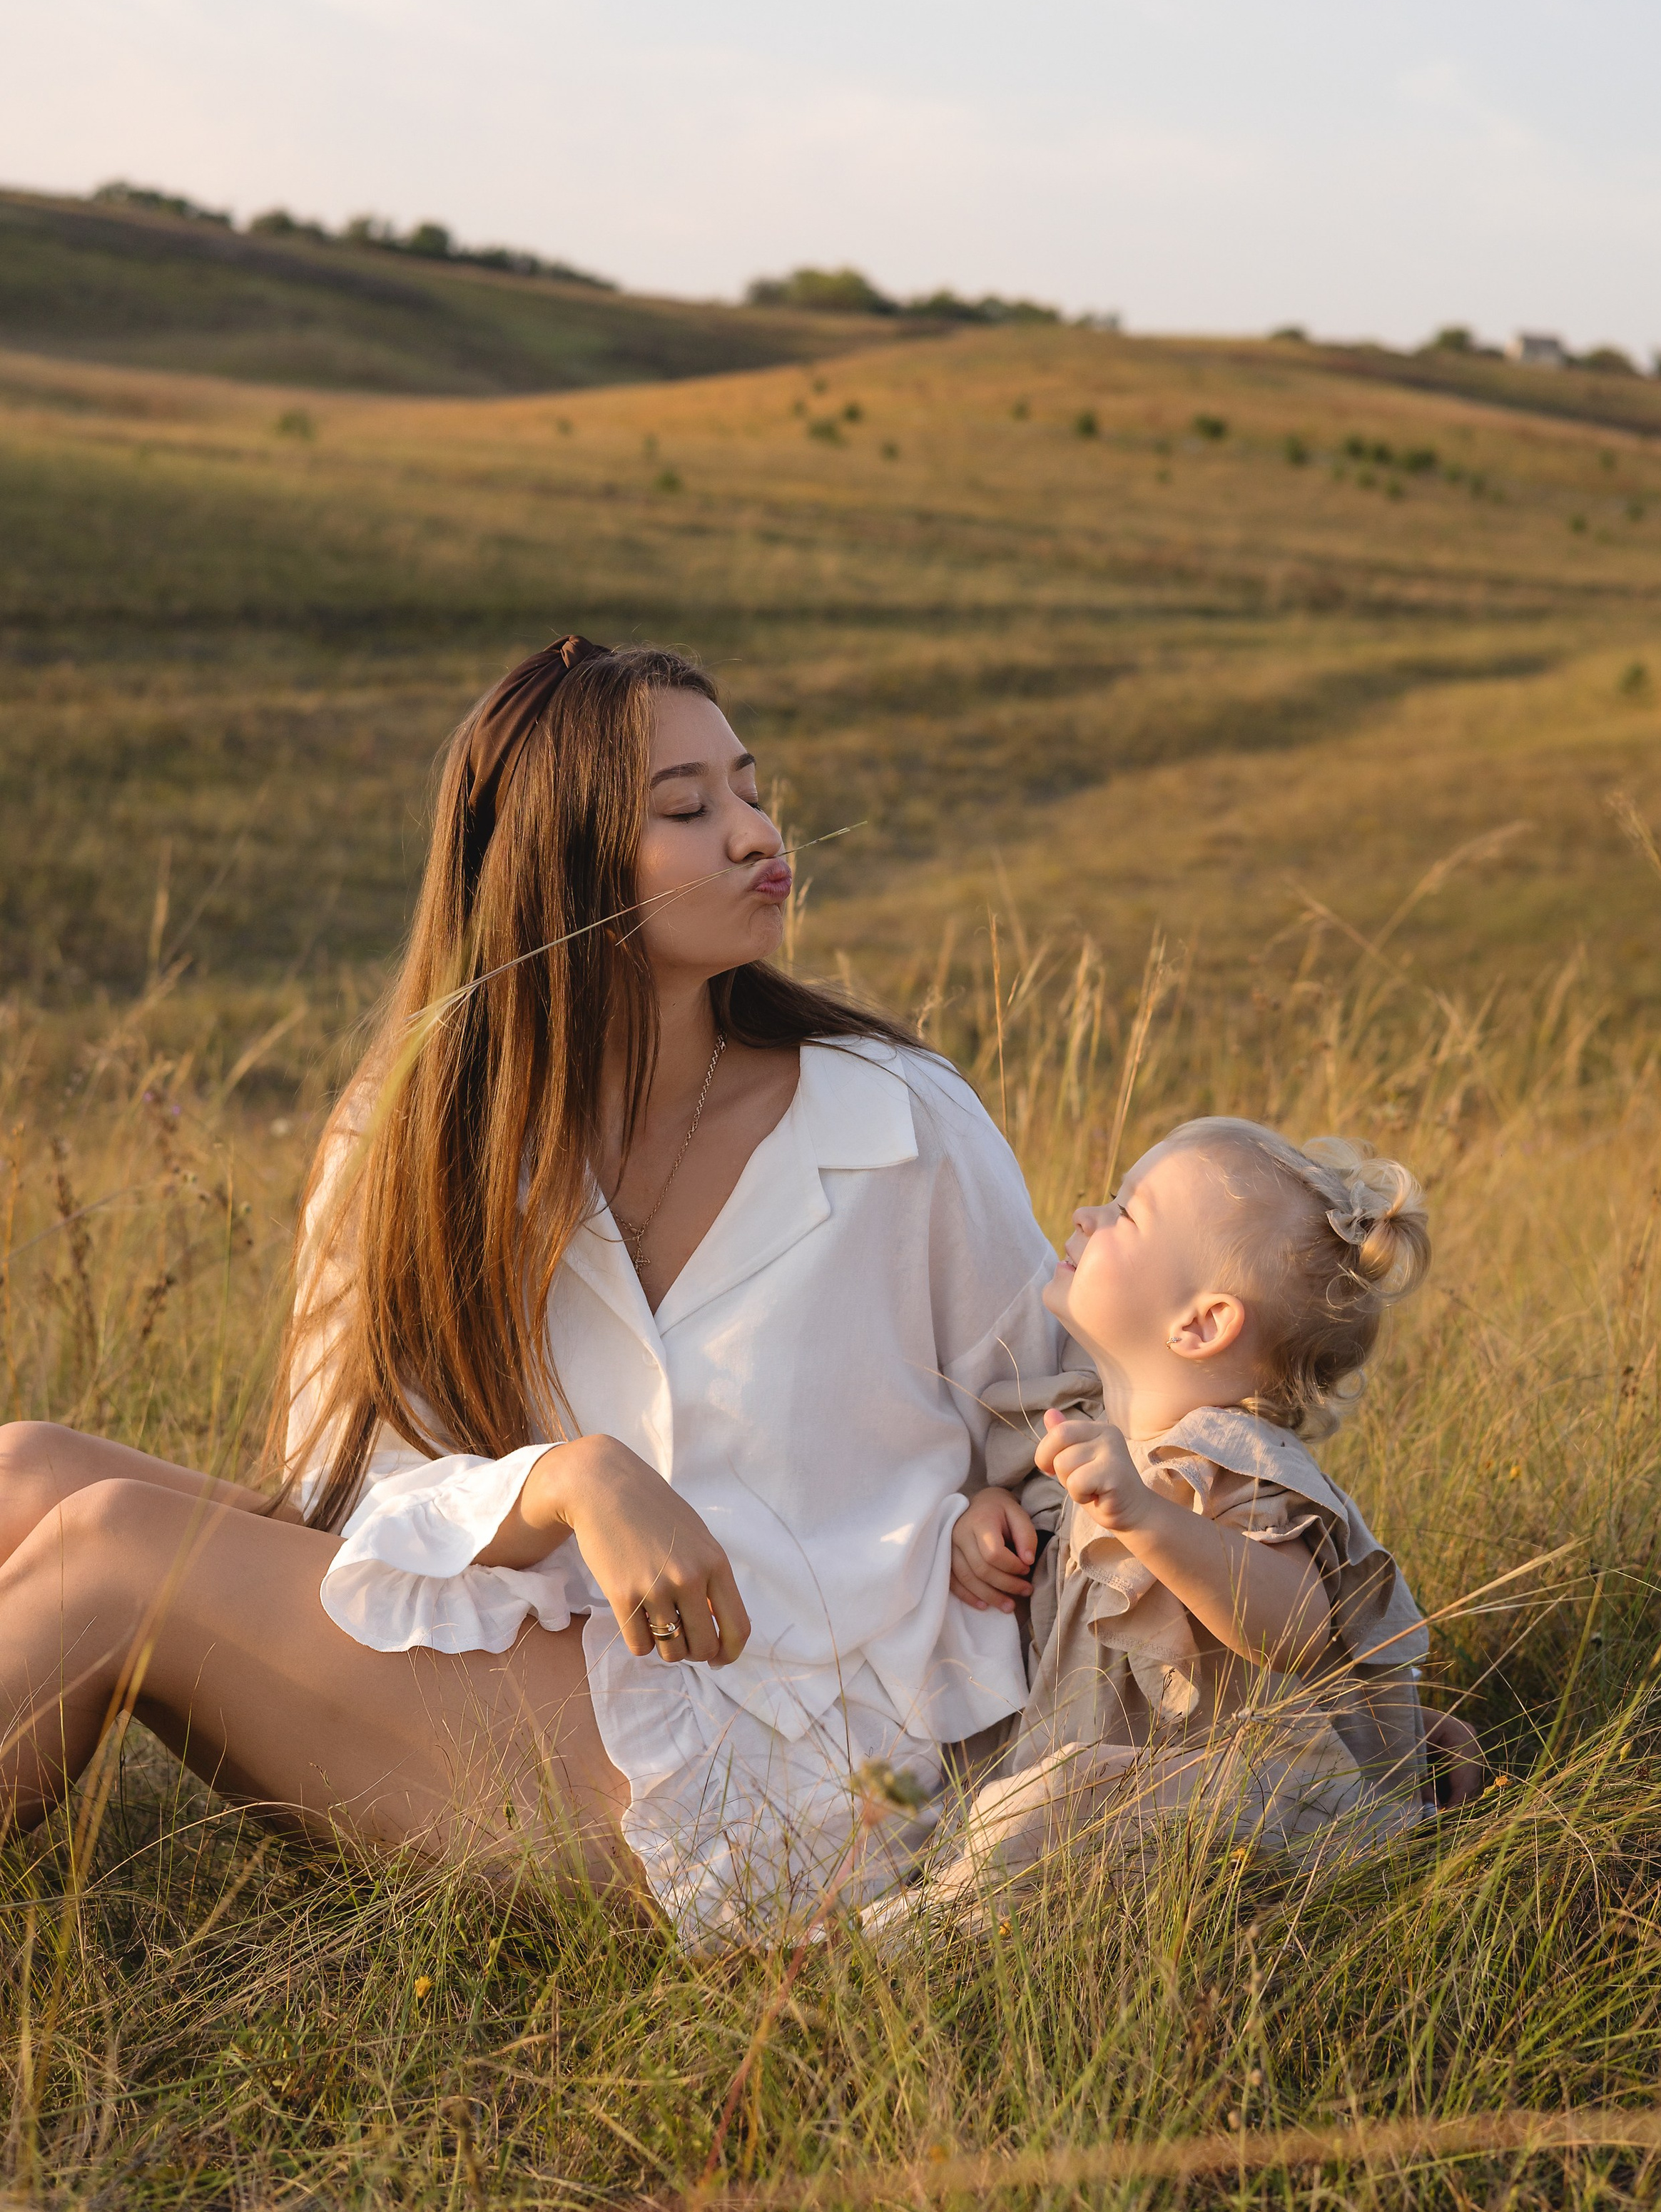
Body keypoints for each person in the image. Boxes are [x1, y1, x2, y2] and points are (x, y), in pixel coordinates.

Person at [0, 639, 1061, 1945]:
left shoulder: (904, 1124)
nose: (754, 833)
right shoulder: (415, 1138)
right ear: (556, 870)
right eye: (686, 810)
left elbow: (1073, 1431)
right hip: (538, 1664)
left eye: (746, 788)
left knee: (114, 1555)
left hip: (796, 1751)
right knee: (25, 1472)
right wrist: (570, 1479)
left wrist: (990, 1511)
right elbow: (351, 1506)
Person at [885, 1118, 1483, 1919]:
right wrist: (989, 1514)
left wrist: (1144, 1518)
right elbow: (1054, 1530)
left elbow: (1297, 1622)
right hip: (1142, 1792)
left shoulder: (1226, 1456)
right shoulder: (1082, 1422)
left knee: (1041, 1814)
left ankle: (894, 1949)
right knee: (1025, 1810)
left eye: (1127, 1214)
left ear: (1201, 1324)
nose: (1089, 1215)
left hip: (1239, 1801)